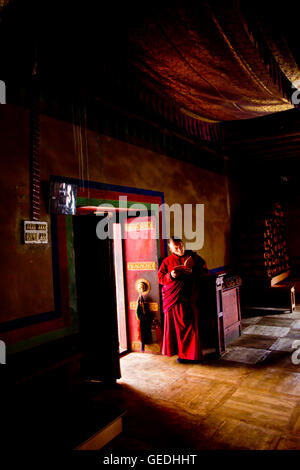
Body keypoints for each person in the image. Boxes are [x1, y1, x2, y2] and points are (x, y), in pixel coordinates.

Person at [158, 236, 208, 363]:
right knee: (175, 330)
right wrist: (171, 275)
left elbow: (205, 271)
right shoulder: (167, 261)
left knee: (190, 328)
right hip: (173, 300)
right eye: (176, 248)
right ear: (171, 249)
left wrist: (193, 272)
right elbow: (161, 279)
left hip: (189, 298)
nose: (180, 249)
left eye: (181, 246)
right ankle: (180, 353)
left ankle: (191, 355)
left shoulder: (193, 257)